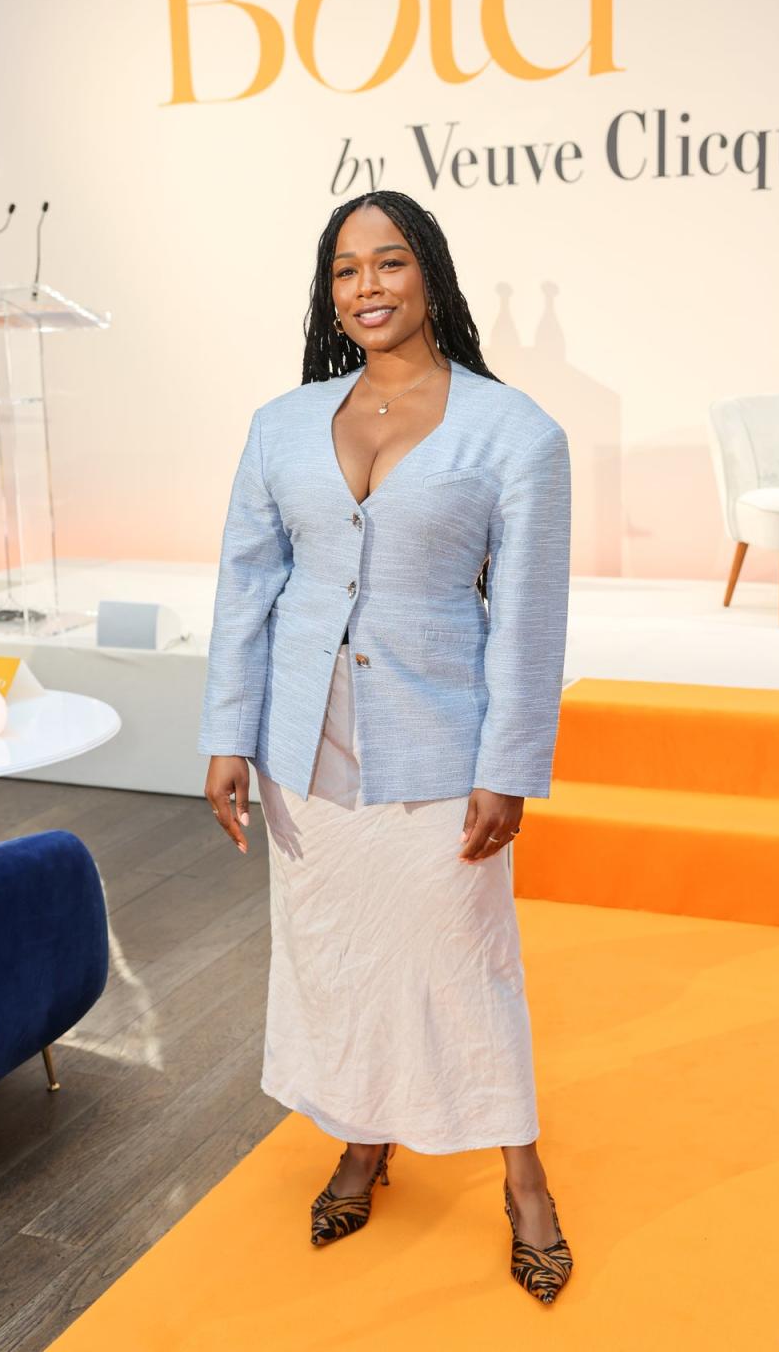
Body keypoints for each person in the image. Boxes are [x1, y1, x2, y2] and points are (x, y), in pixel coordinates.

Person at [199, 190, 573, 1304]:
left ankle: (523, 1175)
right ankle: (363, 1137)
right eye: (347, 268)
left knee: (466, 963)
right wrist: (227, 731)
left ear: (430, 275)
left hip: (441, 748)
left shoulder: (517, 431)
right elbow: (245, 585)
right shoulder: (281, 422)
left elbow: (530, 615)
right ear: (331, 290)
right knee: (334, 957)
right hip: (300, 746)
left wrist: (509, 763)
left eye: (390, 262)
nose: (367, 285)